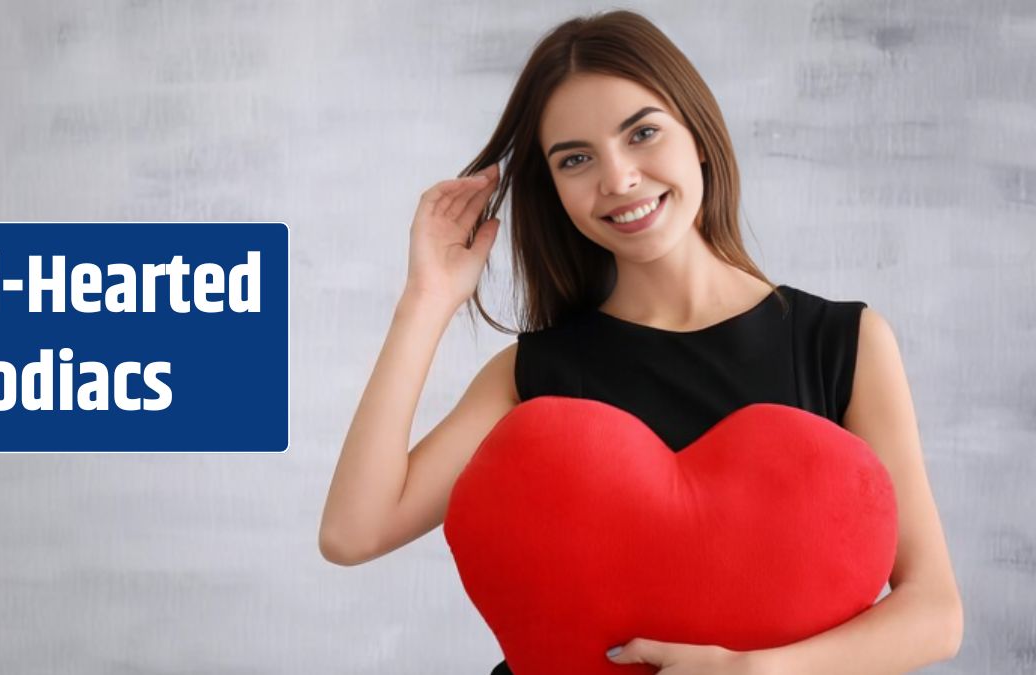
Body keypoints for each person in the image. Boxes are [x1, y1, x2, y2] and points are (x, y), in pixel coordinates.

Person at [319, 10, 963, 674]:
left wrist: (753, 670)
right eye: (576, 158)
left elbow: (934, 612)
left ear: (700, 137)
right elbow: (352, 533)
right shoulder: (532, 371)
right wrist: (426, 300)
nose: (618, 178)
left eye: (643, 133)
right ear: (555, 189)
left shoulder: (844, 342)